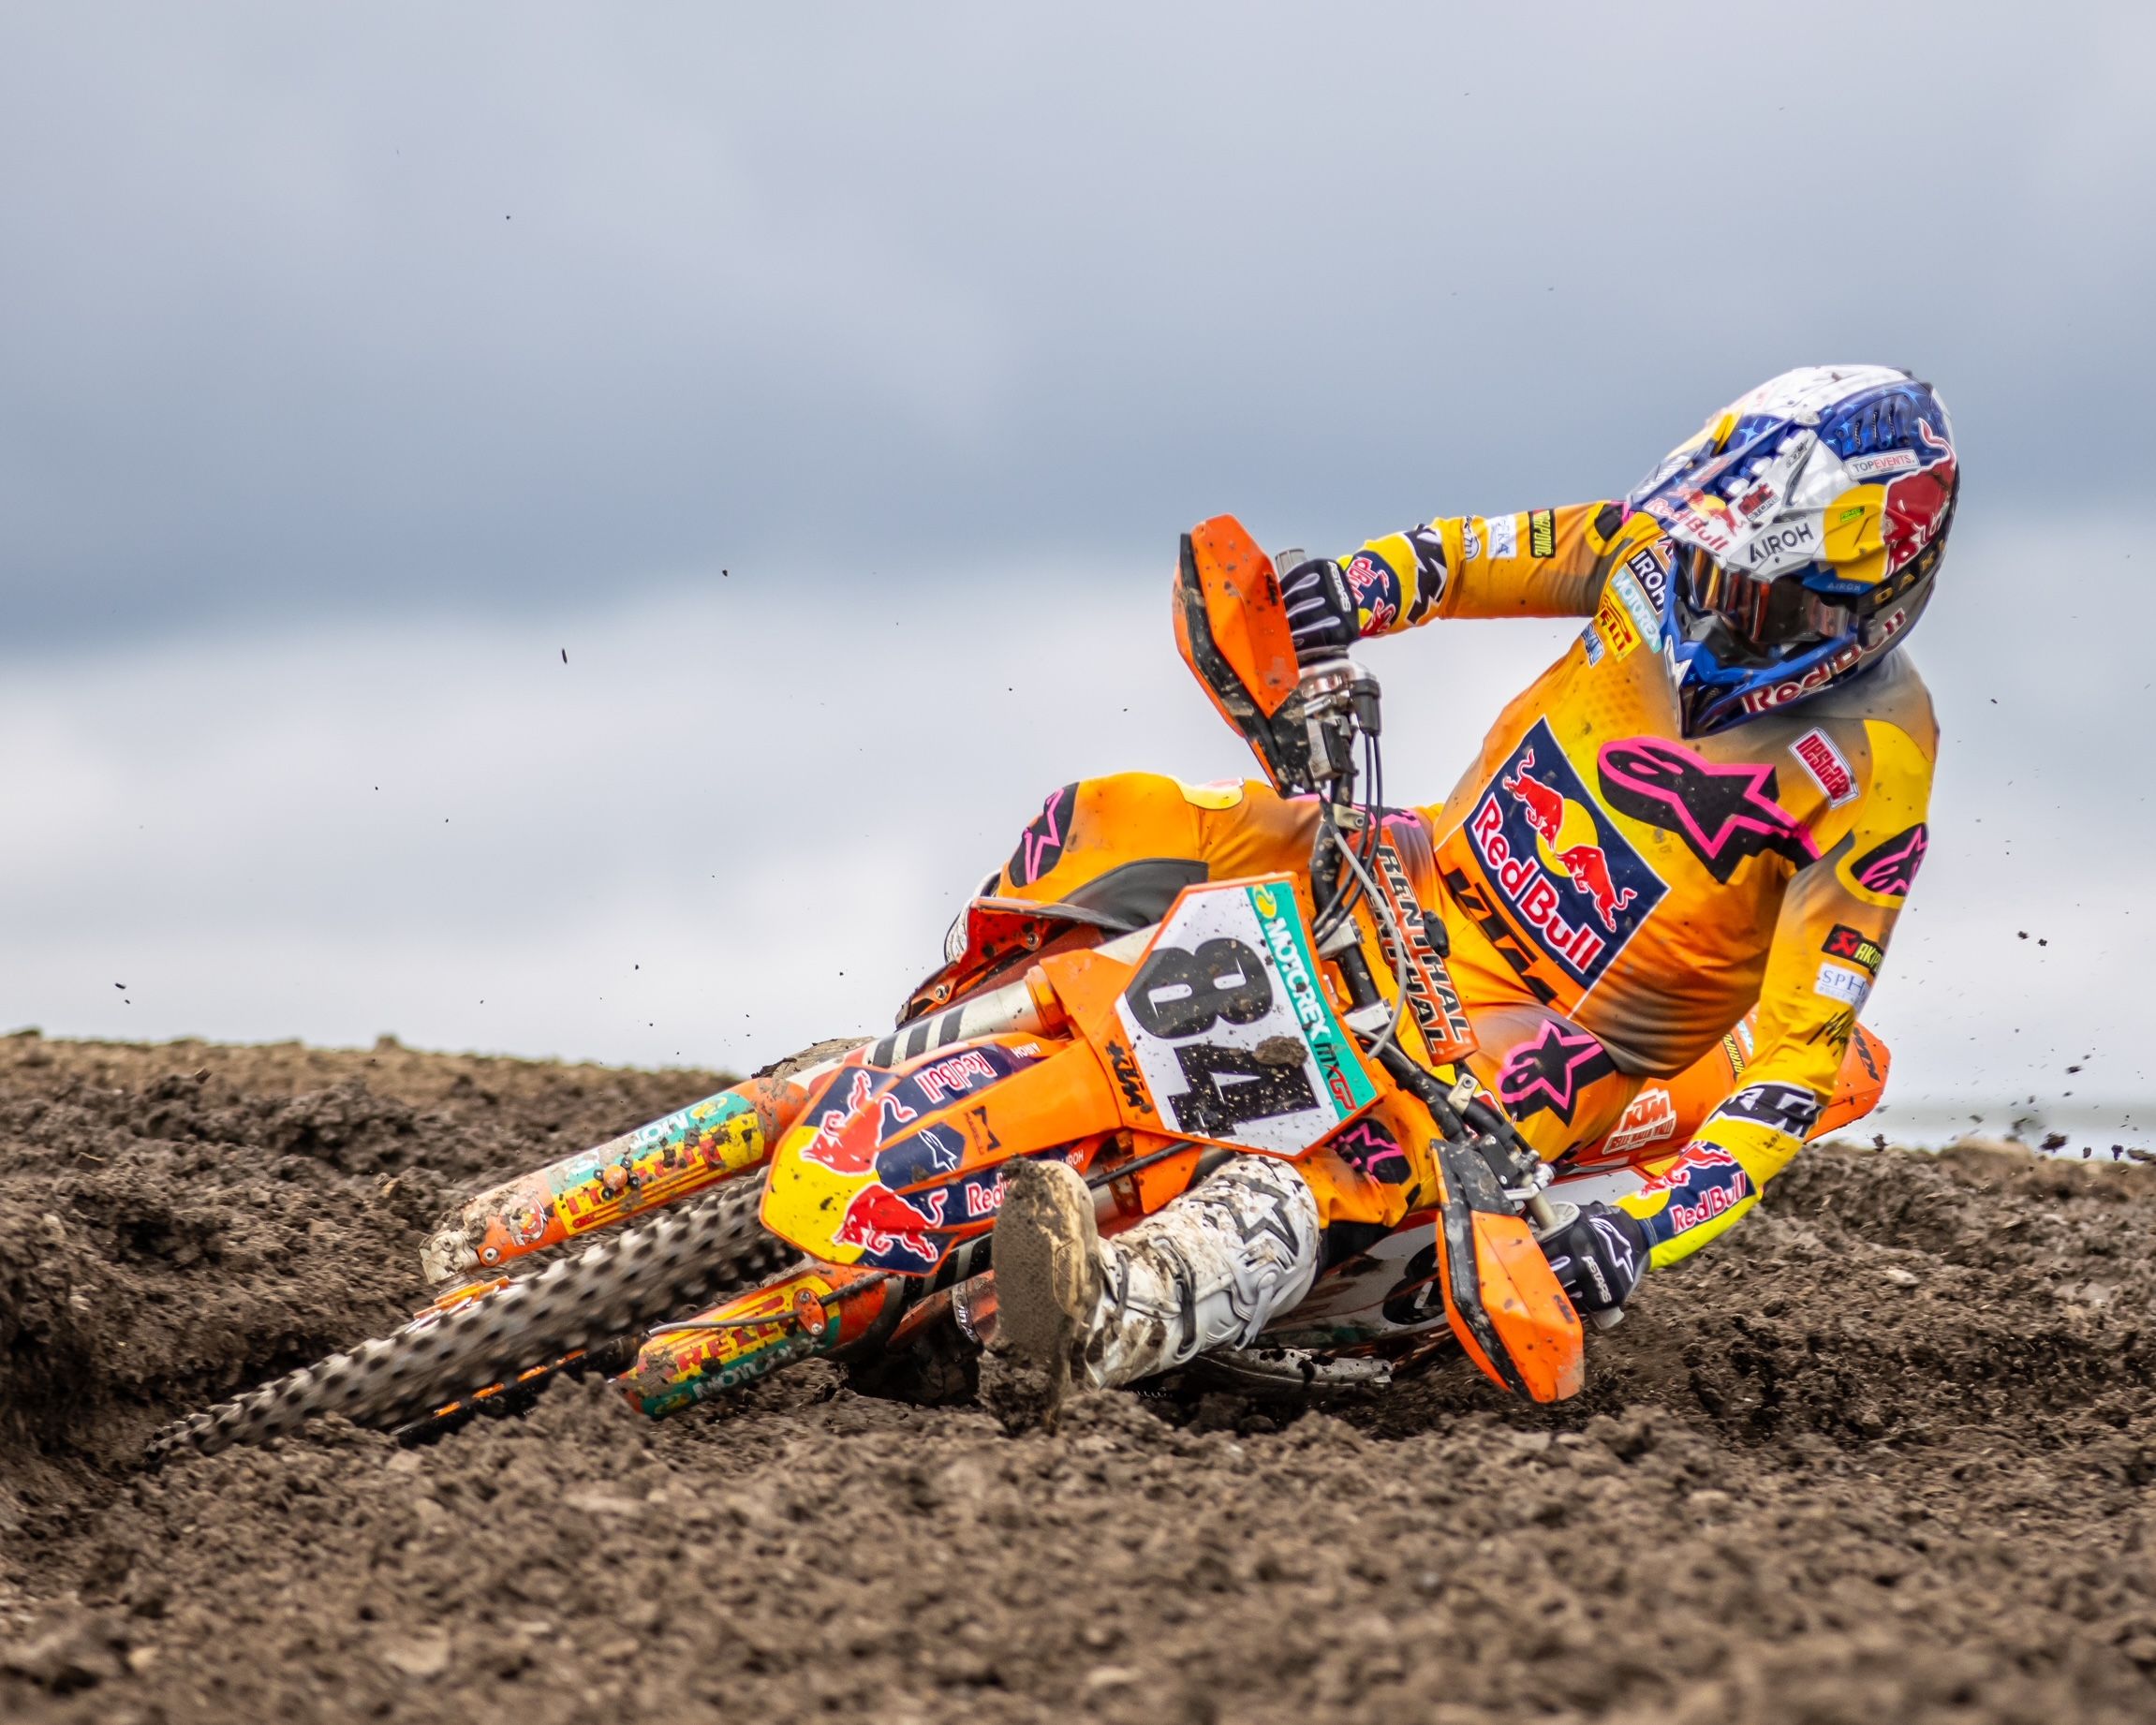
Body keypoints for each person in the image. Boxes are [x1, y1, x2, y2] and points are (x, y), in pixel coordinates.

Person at [985, 364, 1956, 1402]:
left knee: (1347, 1154)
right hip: (1412, 867)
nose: (1715, 609)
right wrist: (1351, 589)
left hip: (1545, 1036)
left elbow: (1798, 1065)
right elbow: (1471, 556)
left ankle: (1107, 1315)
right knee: (1116, 817)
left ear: (1874, 602)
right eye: (1709, 569)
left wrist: (1639, 1231)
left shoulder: (1877, 765)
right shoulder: (1653, 547)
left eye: (1764, 599)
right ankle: (919, 1036)